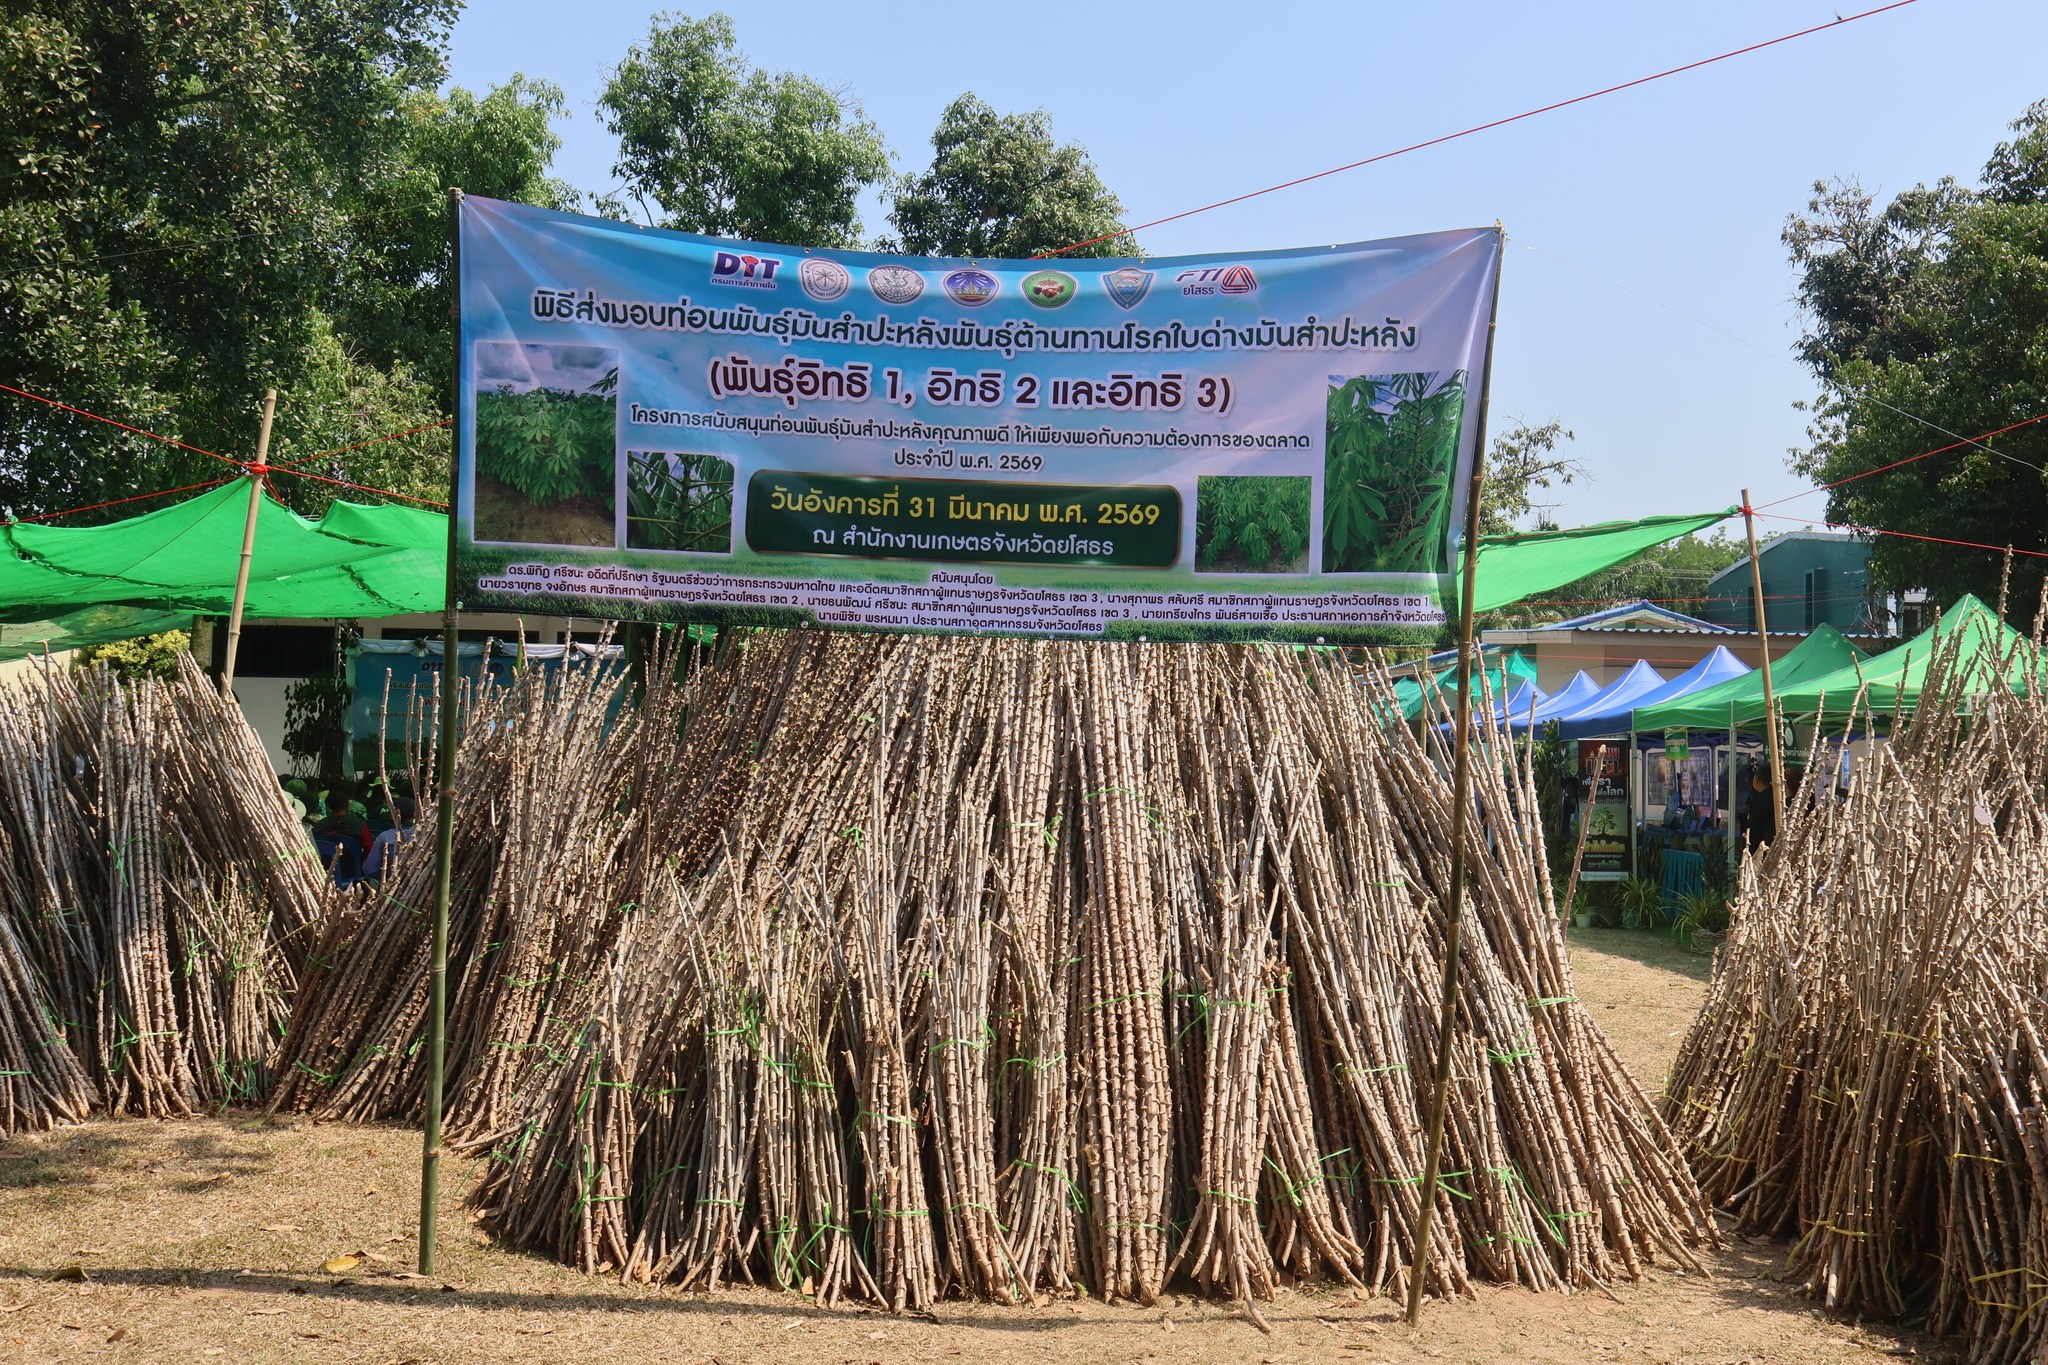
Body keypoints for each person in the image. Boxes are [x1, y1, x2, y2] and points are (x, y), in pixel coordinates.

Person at [311, 783, 372, 884]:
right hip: (353, 872)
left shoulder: (319, 826)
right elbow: (369, 849)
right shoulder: (360, 824)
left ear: (329, 806)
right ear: (347, 804)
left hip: (326, 873)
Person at [361, 796, 415, 883]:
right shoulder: (424, 835)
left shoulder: (384, 837)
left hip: (393, 884)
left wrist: (389, 874)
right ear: (414, 814)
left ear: (391, 815)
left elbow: (369, 869)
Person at [1743, 765, 1777, 853]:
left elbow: (1754, 827)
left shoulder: (1759, 800)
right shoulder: (1776, 797)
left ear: (1757, 780)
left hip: (1759, 847)